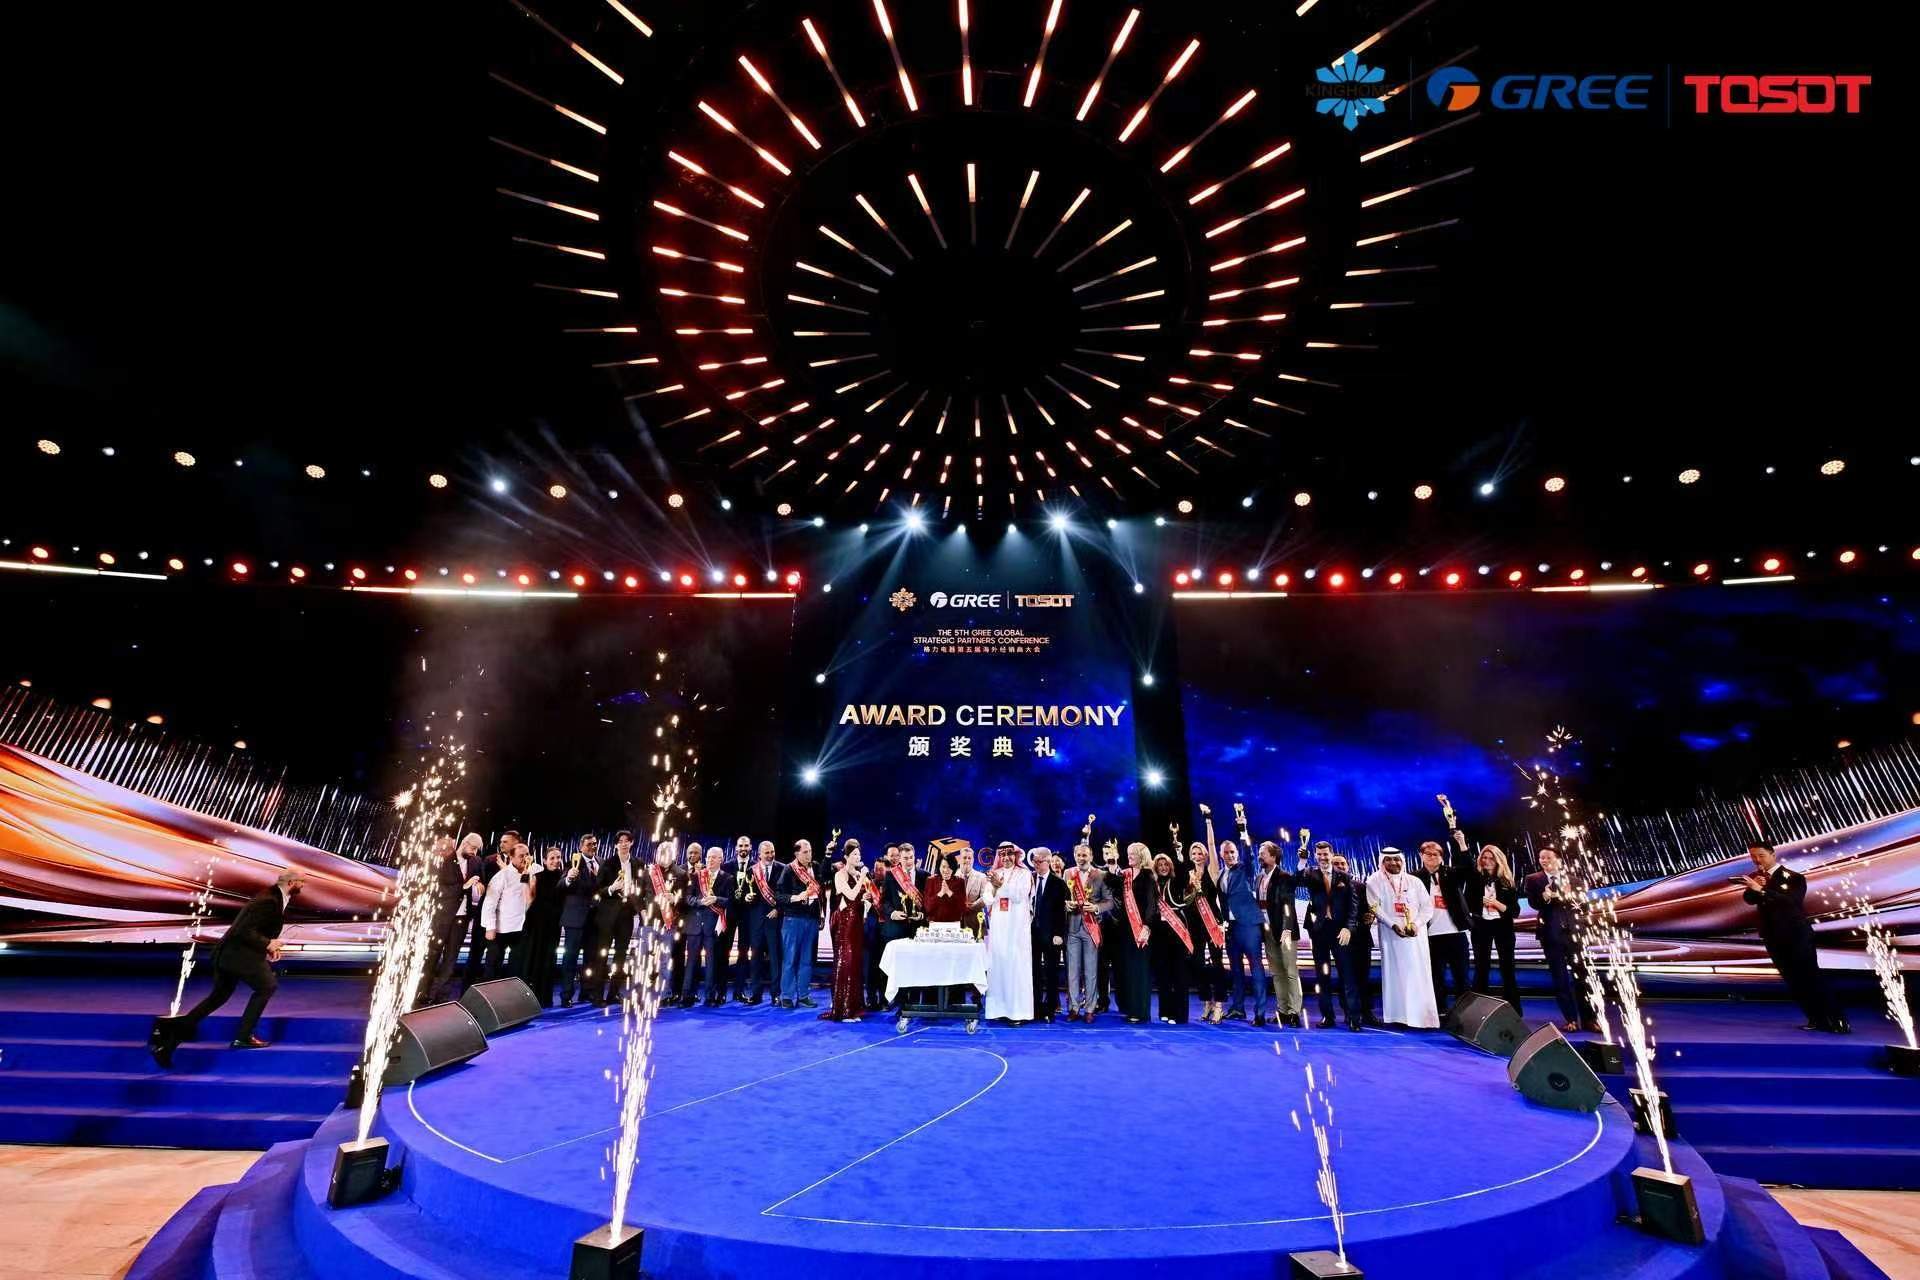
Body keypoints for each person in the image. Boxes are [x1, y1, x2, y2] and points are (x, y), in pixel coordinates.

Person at [151, 869, 307, 1065]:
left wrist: (269, 946)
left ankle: (167, 1041)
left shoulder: (275, 896)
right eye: (302, 882)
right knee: (266, 987)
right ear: (291, 882)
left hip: (229, 955)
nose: (303, 885)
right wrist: (268, 944)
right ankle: (243, 1036)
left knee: (218, 997)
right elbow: (244, 931)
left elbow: (257, 928)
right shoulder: (268, 900)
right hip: (238, 955)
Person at [1741, 842, 1849, 1033]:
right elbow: (1749, 900)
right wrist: (1754, 888)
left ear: (1773, 855)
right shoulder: (1758, 878)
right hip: (1773, 936)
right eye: (1753, 857)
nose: (1757, 860)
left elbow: (1790, 901)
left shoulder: (1794, 877)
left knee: (1811, 977)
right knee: (1793, 980)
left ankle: (1838, 1020)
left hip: (1796, 935)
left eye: (1761, 855)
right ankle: (1816, 1019)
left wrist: (1761, 890)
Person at [1367, 848, 1438, 1028]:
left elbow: (1427, 908)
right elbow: (1375, 907)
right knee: (1395, 975)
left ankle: (1423, 1018)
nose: (1393, 863)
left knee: (1418, 974)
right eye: (1388, 860)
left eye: (1396, 859)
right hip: (1391, 936)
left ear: (1402, 861)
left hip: (1416, 937)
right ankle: (1398, 1017)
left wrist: (1416, 924)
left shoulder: (1414, 881)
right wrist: (1392, 925)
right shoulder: (1375, 880)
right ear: (1382, 862)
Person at [1524, 847, 1590, 1032]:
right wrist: (1545, 897)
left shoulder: (1574, 880)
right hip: (1551, 935)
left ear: (1558, 859)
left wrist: (1569, 896)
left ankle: (1590, 1019)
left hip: (1574, 934)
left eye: (1548, 857)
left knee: (1582, 976)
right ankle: (1571, 1019)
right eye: (1541, 857)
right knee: (1560, 978)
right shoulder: (1533, 880)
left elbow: (1584, 907)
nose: (1544, 860)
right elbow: (1533, 903)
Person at [1301, 842, 1363, 1030]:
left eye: (1325, 854)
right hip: (1319, 932)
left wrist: (1348, 928)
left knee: (1347, 975)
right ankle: (1327, 1017)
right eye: (1319, 854)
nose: (1322, 857)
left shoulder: (1345, 877)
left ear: (1331, 854)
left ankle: (1353, 1018)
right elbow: (1297, 879)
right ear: (1315, 856)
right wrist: (1302, 861)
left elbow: (1353, 907)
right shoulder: (1311, 874)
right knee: (1323, 975)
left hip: (1340, 932)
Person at [1461, 841, 1523, 1012]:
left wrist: (1496, 904)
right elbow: (1467, 902)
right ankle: (1478, 1010)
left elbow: (1515, 911)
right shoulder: (1475, 879)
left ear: (1498, 861)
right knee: (1481, 967)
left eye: (1491, 858)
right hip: (1481, 926)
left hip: (1503, 927)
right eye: (1484, 858)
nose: (1487, 861)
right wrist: (1461, 843)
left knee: (1507, 967)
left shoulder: (1506, 882)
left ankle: (1513, 1009)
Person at [1413, 840, 1472, 1017]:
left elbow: (1469, 869)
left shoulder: (1451, 873)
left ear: (1441, 857)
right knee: (1436, 977)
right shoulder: (1414, 878)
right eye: (1428, 854)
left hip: (1456, 933)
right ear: (1421, 855)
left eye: (1436, 854)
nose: (1432, 857)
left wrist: (1462, 844)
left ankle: (1464, 1013)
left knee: (1462, 976)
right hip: (1430, 935)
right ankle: (1439, 1011)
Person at [983, 843, 1035, 1023]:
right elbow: (987, 898)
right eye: (1002, 855)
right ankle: (998, 1011)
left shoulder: (1024, 874)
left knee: (1016, 968)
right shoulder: (995, 873)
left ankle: (1017, 1013)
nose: (1006, 858)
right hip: (999, 927)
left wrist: (1000, 885)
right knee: (998, 967)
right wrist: (995, 887)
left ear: (1016, 856)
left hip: (1017, 929)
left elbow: (1019, 895)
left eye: (1009, 854)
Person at [591, 831, 642, 1005]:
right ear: (615, 845)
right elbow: (597, 890)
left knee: (621, 956)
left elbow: (642, 888)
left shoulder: (638, 863)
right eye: (620, 841)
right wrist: (612, 889)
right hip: (607, 916)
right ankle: (597, 996)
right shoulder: (607, 863)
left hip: (627, 916)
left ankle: (613, 994)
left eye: (627, 841)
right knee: (602, 955)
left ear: (632, 843)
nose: (624, 844)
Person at [1256, 841, 1304, 1027]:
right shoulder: (1259, 878)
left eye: (1263, 853)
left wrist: (1287, 929)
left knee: (1290, 971)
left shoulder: (1284, 876)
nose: (1260, 856)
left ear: (1274, 857)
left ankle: (1294, 1012)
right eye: (1260, 853)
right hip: (1268, 931)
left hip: (1285, 931)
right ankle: (1283, 1011)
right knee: (1276, 972)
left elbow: (1288, 904)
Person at [1063, 843, 1112, 1021]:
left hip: (1092, 928)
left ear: (1091, 857)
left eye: (1084, 855)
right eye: (1078, 855)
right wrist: (1066, 904)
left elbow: (1110, 901)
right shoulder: (1068, 873)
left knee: (1091, 971)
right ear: (1074, 856)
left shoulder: (1101, 875)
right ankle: (1074, 1008)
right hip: (1072, 928)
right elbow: (1063, 898)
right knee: (1072, 971)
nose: (1081, 858)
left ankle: (1090, 1009)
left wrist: (1096, 908)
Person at [1218, 839, 1265, 1023]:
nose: (1230, 855)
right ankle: (1238, 1008)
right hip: (1231, 928)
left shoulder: (1245, 868)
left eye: (1232, 852)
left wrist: (1243, 832)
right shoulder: (1221, 874)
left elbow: (1249, 855)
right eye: (1226, 852)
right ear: (1221, 854)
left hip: (1249, 925)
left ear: (1237, 853)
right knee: (1236, 970)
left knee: (1256, 967)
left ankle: (1260, 1013)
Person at [775, 838, 824, 1008]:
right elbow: (779, 896)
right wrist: (796, 897)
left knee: (806, 960)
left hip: (811, 919)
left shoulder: (815, 867)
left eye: (810, 851)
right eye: (805, 852)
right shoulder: (789, 870)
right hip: (793, 919)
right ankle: (786, 996)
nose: (809, 854)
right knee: (790, 959)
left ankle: (803, 996)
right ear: (797, 854)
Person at [822, 844, 869, 1020]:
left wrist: (865, 898)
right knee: (845, 962)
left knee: (855, 962)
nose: (858, 857)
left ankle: (855, 1007)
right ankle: (844, 1008)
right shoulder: (839, 875)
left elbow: (858, 897)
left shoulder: (857, 875)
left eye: (859, 854)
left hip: (857, 922)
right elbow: (850, 895)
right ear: (847, 857)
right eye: (854, 854)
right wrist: (862, 877)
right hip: (844, 922)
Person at [681, 847, 733, 1007]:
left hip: (713, 927)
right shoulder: (696, 876)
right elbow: (687, 898)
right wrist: (699, 902)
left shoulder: (728, 878)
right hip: (695, 925)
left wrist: (716, 899)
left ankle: (710, 996)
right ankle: (687, 996)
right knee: (691, 963)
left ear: (721, 859)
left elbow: (731, 901)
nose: (710, 860)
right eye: (709, 857)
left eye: (714, 857)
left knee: (712, 963)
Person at [1185, 840, 1230, 1024]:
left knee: (1217, 963)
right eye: (1194, 854)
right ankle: (1207, 1002)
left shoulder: (1212, 871)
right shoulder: (1188, 875)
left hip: (1212, 922)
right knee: (1197, 963)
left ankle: (1219, 1005)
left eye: (1200, 853)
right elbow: (1186, 901)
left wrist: (1208, 824)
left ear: (1205, 856)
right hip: (1195, 923)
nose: (1197, 857)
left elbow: (1211, 845)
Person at [1151, 852, 1197, 1023]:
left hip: (1176, 931)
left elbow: (1185, 876)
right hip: (1159, 933)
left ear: (1170, 867)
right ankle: (1165, 1011)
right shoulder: (1154, 884)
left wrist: (1179, 856)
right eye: (1160, 865)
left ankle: (1179, 1014)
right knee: (1163, 974)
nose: (1163, 867)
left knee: (1179, 973)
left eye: (1166, 864)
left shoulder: (1176, 882)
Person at [1117, 843, 1159, 1023]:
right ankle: (1130, 1007)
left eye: (1133, 854)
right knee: (1128, 969)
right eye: (1128, 853)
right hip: (1125, 930)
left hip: (1140, 929)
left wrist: (1147, 927)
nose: (1129, 856)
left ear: (1141, 856)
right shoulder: (1125, 875)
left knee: (1140, 970)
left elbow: (1152, 904)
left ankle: (1140, 1011)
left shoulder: (1148, 877)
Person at [878, 841, 922, 1010]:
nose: (909, 861)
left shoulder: (924, 876)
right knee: (900, 968)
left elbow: (928, 902)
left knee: (917, 966)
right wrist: (892, 913)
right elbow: (884, 901)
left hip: (917, 929)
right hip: (897, 928)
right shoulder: (891, 876)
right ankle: (901, 1005)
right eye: (905, 858)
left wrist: (923, 914)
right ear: (900, 859)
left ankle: (915, 1004)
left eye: (911, 857)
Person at [520, 847, 566, 1006]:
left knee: (549, 959)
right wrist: (525, 880)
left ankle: (545, 997)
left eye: (558, 857)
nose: (555, 861)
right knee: (534, 957)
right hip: (536, 922)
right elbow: (530, 900)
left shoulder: (565, 877)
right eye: (552, 858)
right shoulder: (537, 876)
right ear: (545, 861)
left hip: (554, 924)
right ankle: (529, 998)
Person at [481, 844, 534, 981]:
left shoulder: (532, 873)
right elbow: (490, 902)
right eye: (521, 856)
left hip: (521, 928)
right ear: (511, 857)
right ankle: (490, 991)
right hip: (501, 928)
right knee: (493, 965)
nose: (525, 858)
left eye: (527, 854)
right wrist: (490, 927)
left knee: (517, 966)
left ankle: (512, 992)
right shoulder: (502, 876)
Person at [557, 836, 599, 1007]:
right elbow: (561, 885)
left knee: (590, 959)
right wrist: (568, 878)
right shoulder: (572, 862)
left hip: (594, 921)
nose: (592, 847)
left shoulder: (601, 863)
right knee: (570, 959)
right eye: (589, 844)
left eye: (595, 844)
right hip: (575, 920)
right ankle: (566, 995)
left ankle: (586, 992)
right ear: (581, 846)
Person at [740, 840, 782, 1005]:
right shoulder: (751, 871)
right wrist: (746, 897)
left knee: (775, 959)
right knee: (756, 958)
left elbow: (786, 893)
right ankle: (756, 994)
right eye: (767, 853)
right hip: (756, 923)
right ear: (759, 855)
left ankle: (776, 995)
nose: (770, 855)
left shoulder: (782, 869)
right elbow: (744, 893)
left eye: (772, 852)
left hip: (774, 921)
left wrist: (778, 909)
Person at [1029, 846, 1067, 1021]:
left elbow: (1062, 912)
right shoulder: (1029, 880)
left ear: (1048, 862)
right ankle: (1035, 1007)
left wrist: (1059, 934)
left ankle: (1050, 1009)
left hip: (1051, 935)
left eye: (1039, 861)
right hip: (1032, 934)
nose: (1036, 864)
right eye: (1034, 861)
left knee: (1051, 972)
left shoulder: (1058, 883)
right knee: (1034, 972)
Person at [722, 834, 755, 1002]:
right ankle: (720, 991)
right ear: (736, 848)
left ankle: (739, 991)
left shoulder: (756, 867)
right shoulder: (727, 866)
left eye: (746, 845)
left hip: (748, 914)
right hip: (729, 913)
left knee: (743, 952)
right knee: (724, 951)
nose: (743, 848)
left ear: (750, 848)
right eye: (740, 846)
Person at [1096, 843, 1127, 1012]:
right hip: (1101, 926)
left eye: (1111, 852)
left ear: (1118, 854)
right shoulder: (1098, 873)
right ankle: (1103, 1001)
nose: (1109, 855)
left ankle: (1123, 1002)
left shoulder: (1126, 874)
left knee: (1120, 967)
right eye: (1106, 853)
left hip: (1120, 928)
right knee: (1101, 966)